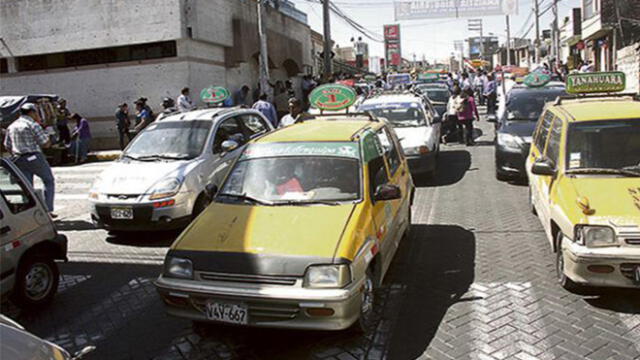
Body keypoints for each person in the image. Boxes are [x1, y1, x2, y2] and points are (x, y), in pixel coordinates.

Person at [3, 103, 56, 216]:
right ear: (32, 112)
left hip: (19, 158)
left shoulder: (12, 126)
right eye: (36, 112)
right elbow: (45, 144)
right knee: (48, 181)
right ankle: (48, 209)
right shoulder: (33, 125)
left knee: (28, 187)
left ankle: (32, 212)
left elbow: (7, 145)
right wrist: (50, 136)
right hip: (34, 157)